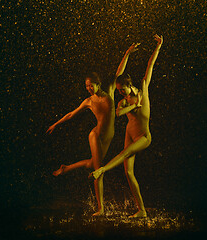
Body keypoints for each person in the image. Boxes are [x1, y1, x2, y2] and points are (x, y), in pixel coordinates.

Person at [46, 44, 140, 216]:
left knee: (91, 164)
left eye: (91, 86)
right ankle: (100, 208)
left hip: (108, 137)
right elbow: (71, 114)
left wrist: (127, 53)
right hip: (96, 135)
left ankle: (66, 168)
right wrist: (56, 124)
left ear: (98, 84)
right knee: (99, 170)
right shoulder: (89, 101)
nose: (89, 89)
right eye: (86, 86)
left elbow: (119, 71)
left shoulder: (110, 91)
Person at [89, 34, 163, 218]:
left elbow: (149, 66)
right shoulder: (124, 102)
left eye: (123, 90)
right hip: (129, 134)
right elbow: (118, 112)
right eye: (119, 91)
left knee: (125, 154)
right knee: (129, 172)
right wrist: (127, 53)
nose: (121, 93)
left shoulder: (143, 90)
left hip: (143, 137)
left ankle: (102, 169)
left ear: (130, 85)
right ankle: (142, 210)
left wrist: (158, 47)